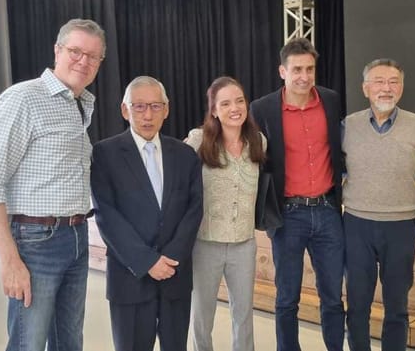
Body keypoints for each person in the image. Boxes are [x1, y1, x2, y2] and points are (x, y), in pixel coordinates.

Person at [0, 18, 105, 351]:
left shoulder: (78, 104)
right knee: (27, 343)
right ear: (57, 50)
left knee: (69, 342)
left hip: (75, 237)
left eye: (93, 56)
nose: (83, 61)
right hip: (35, 242)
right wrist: (9, 261)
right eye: (76, 51)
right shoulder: (23, 99)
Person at [90, 76, 203, 351]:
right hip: (130, 276)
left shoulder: (185, 154)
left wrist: (172, 257)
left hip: (175, 275)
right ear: (125, 110)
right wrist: (147, 261)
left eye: (155, 106)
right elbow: (107, 214)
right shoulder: (105, 154)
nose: (148, 115)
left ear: (167, 109)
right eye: (139, 107)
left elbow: (194, 209)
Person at [342, 58, 415, 351]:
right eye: (378, 81)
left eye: (393, 82)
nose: (386, 88)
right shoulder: (347, 126)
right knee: (357, 307)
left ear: (401, 87)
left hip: (401, 229)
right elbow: (336, 173)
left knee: (397, 308)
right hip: (356, 226)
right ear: (365, 88)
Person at [250, 38, 345, 351]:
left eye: (310, 69)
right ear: (282, 71)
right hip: (288, 215)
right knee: (287, 298)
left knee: (332, 296)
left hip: (329, 211)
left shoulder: (331, 100)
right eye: (297, 69)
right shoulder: (262, 108)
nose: (304, 76)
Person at [184, 77, 266, 351]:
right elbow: (176, 180)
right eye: (226, 103)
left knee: (243, 315)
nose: (235, 108)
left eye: (240, 101)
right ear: (214, 110)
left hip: (244, 243)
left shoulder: (259, 142)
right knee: (202, 314)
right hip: (205, 243)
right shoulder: (198, 140)